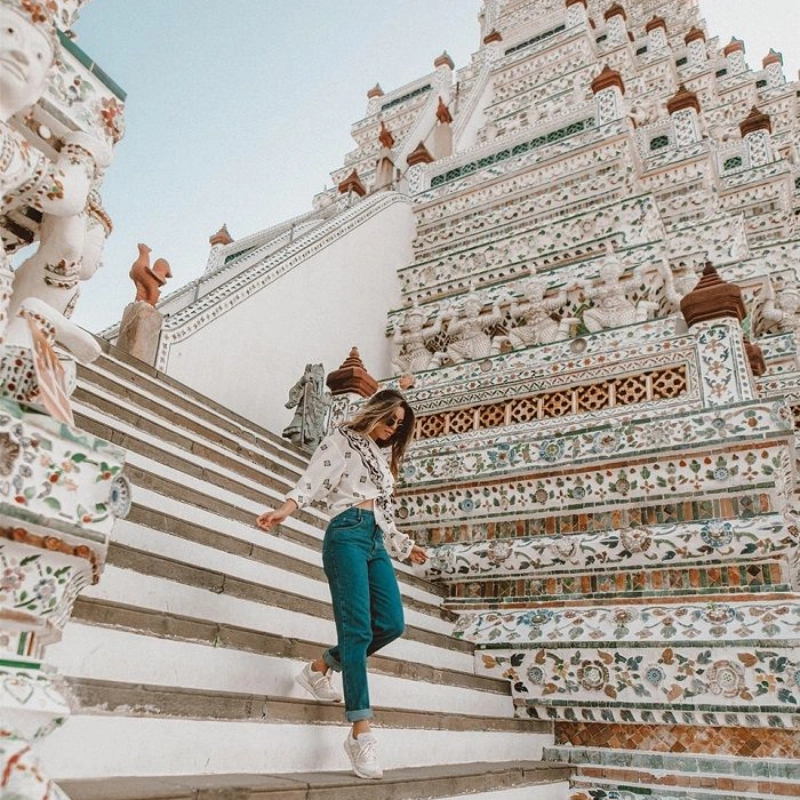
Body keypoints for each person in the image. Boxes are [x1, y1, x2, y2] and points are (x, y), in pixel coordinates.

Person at [256, 388, 428, 780]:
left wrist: (405, 546)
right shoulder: (341, 439)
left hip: (374, 541)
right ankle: (360, 733)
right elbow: (311, 480)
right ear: (376, 412)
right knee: (357, 631)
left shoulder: (380, 459)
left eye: (399, 426)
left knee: (391, 624)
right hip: (346, 534)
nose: (392, 429)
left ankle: (320, 668)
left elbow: (383, 513)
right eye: (390, 420)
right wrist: (285, 509)